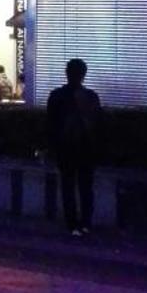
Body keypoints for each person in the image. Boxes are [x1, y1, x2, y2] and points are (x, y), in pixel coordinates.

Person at [46, 57, 103, 237]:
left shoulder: (56, 96)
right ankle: (86, 222)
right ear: (84, 75)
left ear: (67, 73)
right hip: (87, 148)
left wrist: (51, 147)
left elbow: (51, 124)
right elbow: (99, 124)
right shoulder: (91, 97)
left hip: (66, 148)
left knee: (68, 186)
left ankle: (72, 225)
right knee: (86, 187)